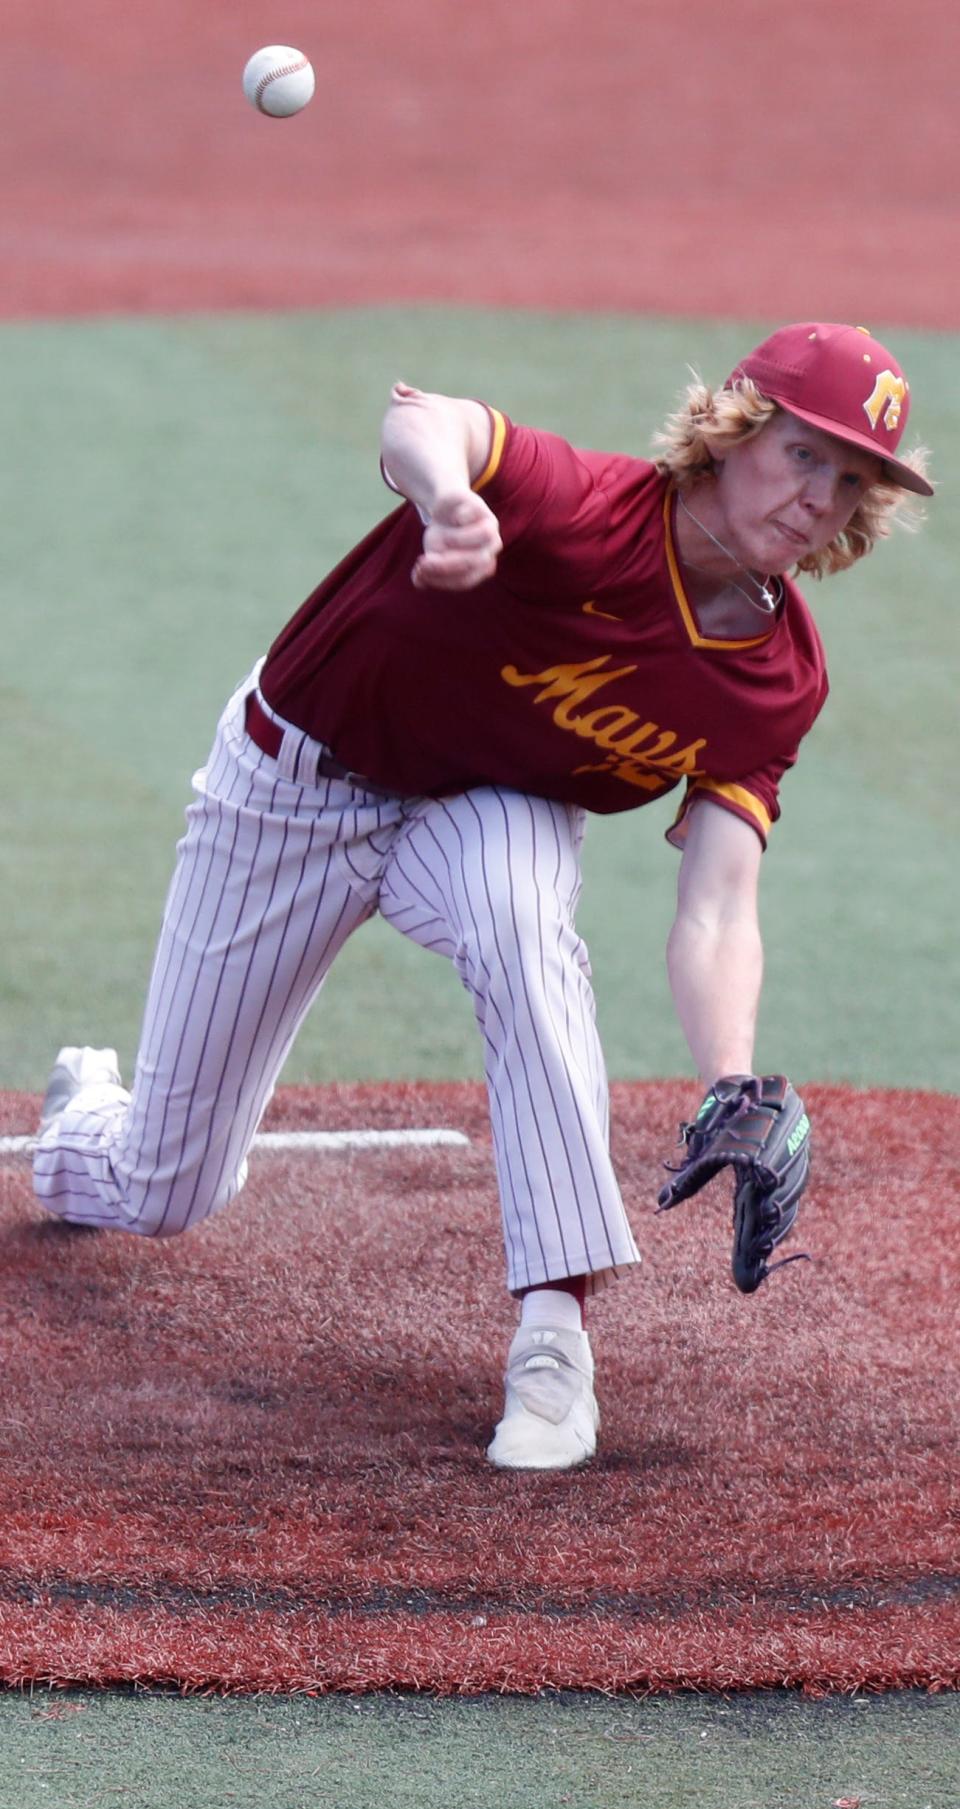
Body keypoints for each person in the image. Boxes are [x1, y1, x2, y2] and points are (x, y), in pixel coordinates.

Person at [33, 322, 932, 1471]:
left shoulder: (777, 680)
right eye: (805, 453)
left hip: (479, 808)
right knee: (163, 1186)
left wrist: (730, 1078)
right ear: (737, 430)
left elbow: (718, 904)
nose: (821, 496)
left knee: (522, 913)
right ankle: (84, 1121)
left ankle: (555, 1343)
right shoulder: (599, 510)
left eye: (851, 477)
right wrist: (451, 494)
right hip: (293, 789)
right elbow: (426, 417)